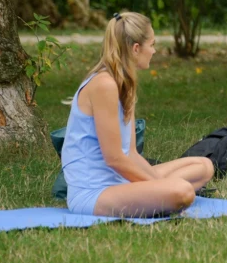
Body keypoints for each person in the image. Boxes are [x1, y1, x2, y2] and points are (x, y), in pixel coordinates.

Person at [61, 12, 215, 216]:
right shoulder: (104, 85)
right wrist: (159, 185)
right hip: (94, 193)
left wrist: (156, 183)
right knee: (183, 191)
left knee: (204, 166)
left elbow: (131, 153)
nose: (154, 51)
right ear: (136, 48)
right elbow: (114, 159)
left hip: (121, 180)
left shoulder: (125, 84)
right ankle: (161, 194)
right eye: (152, 44)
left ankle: (155, 194)